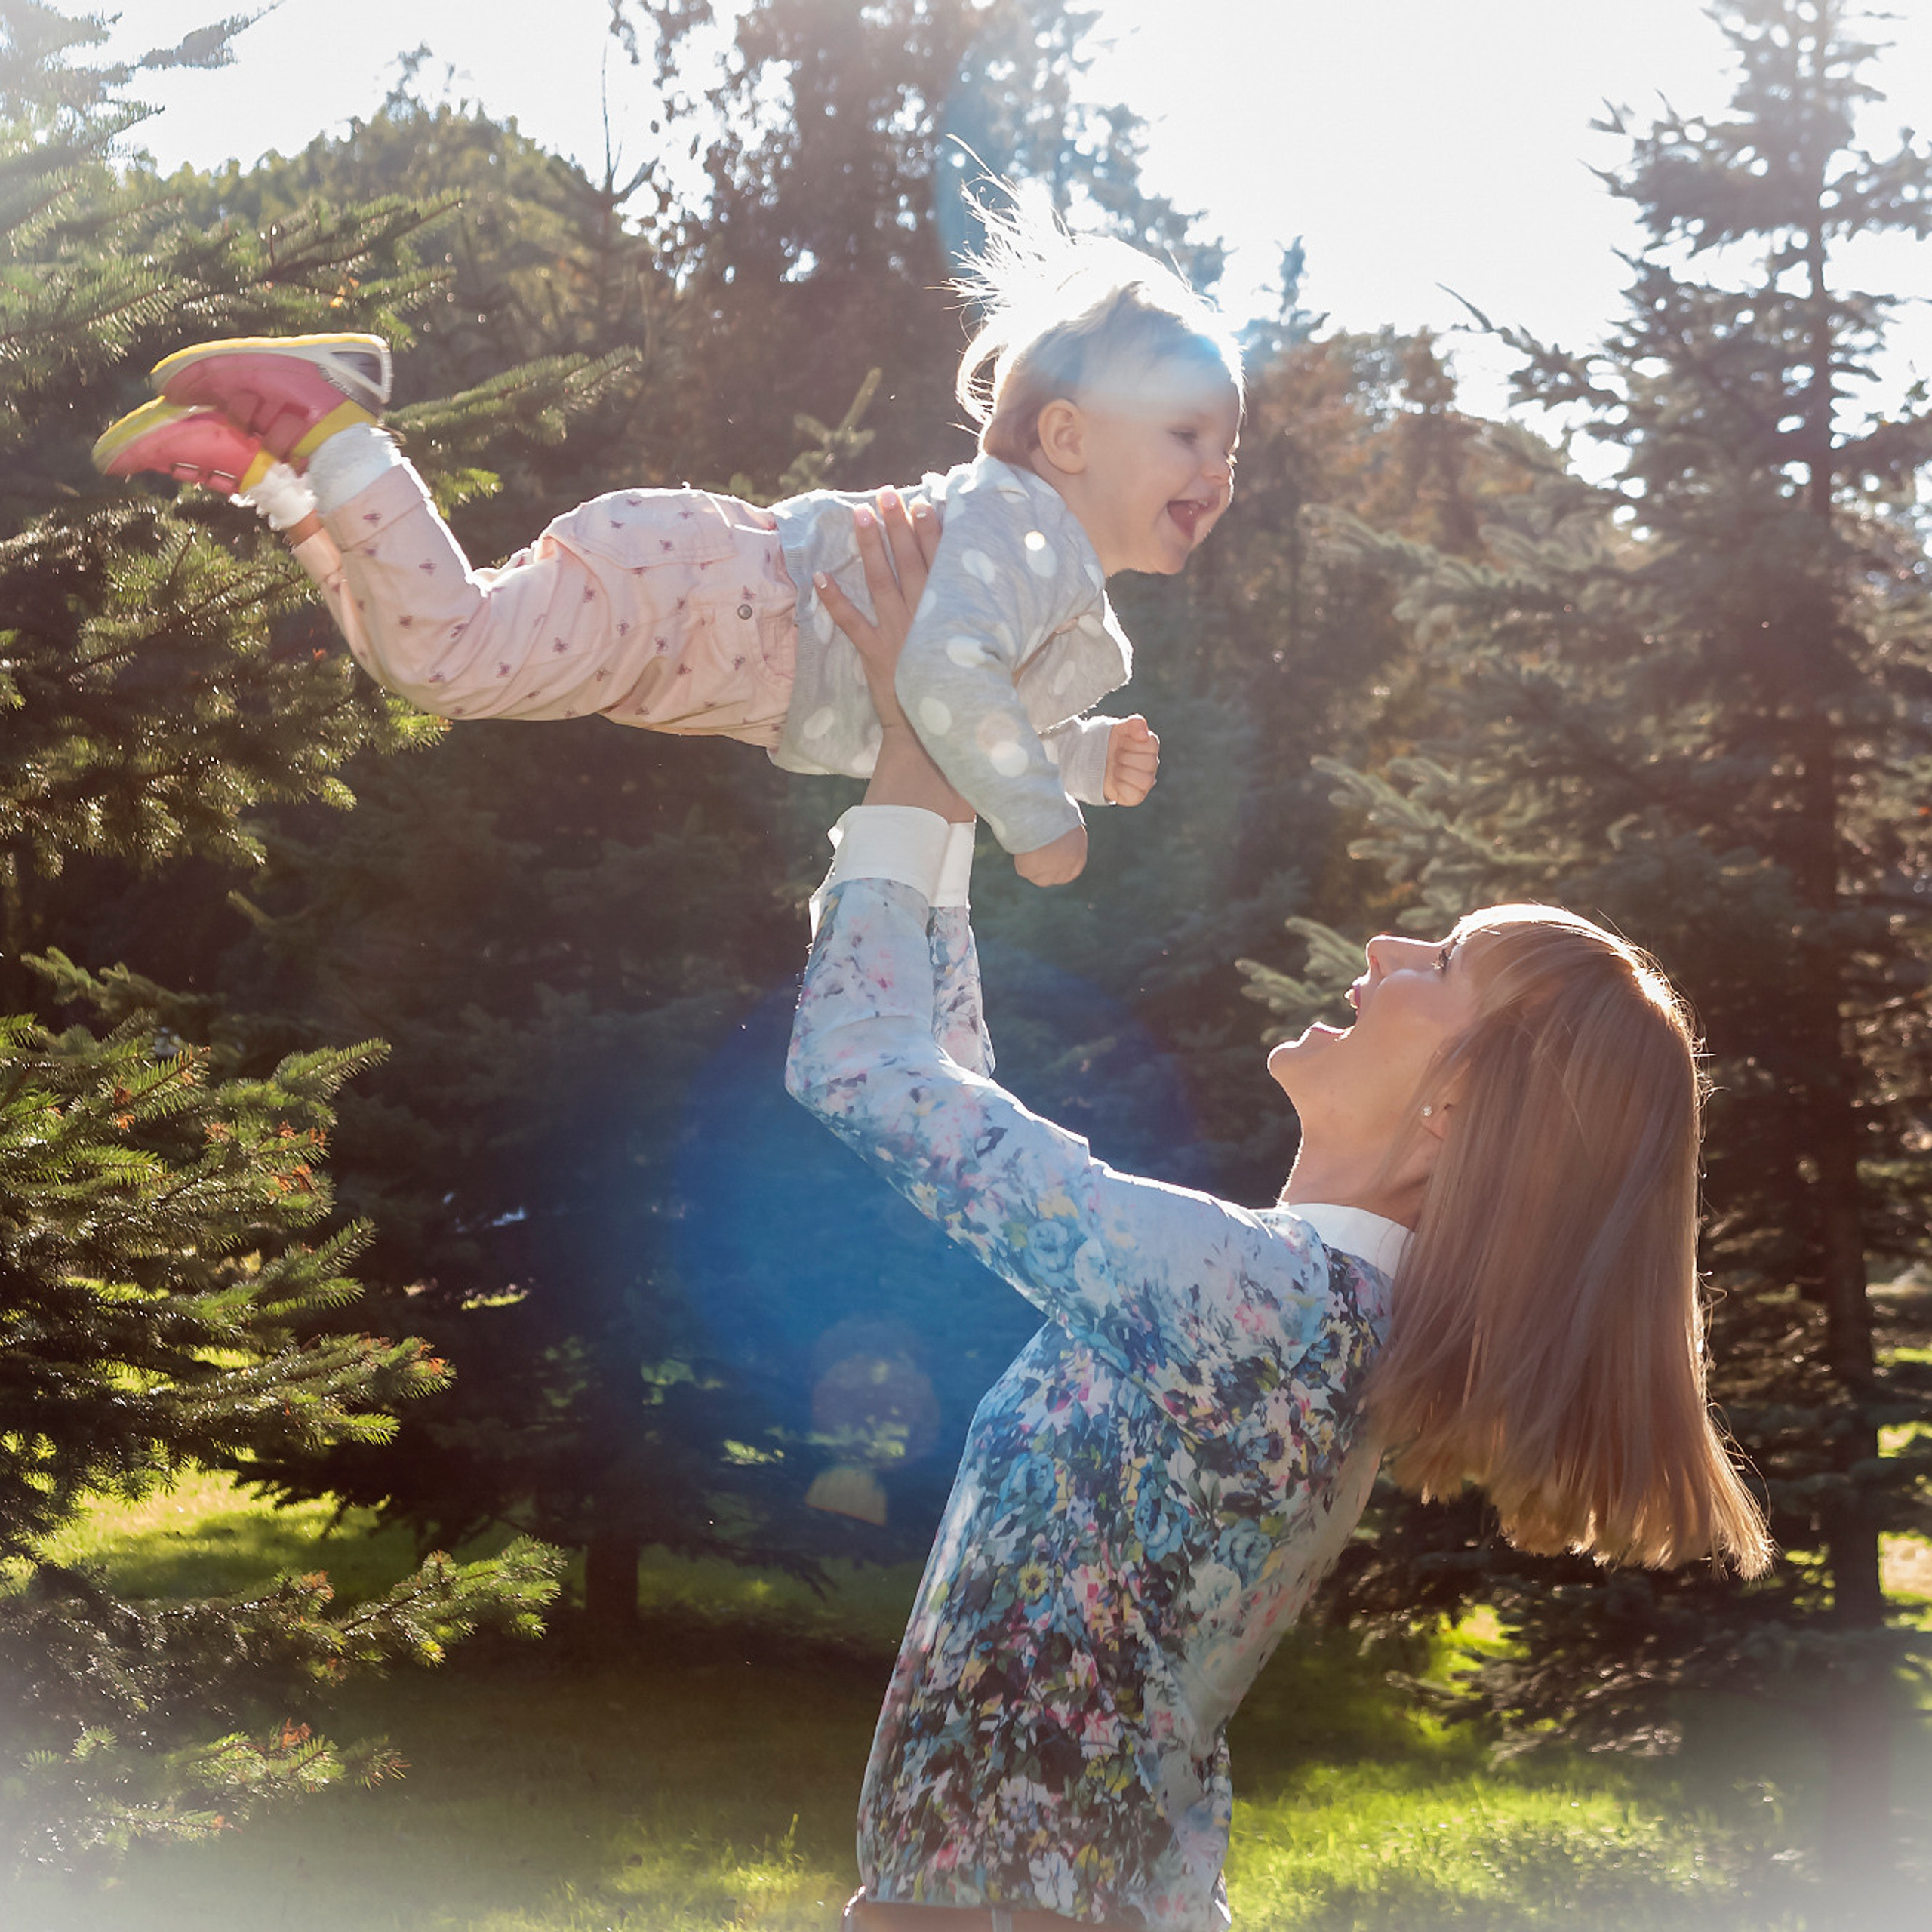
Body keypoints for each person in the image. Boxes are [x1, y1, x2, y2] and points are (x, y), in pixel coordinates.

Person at [784, 499, 1772, 1932]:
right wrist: (936, 770)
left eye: (1437, 958)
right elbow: (954, 1103)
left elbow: (867, 1072)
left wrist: (907, 757)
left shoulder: (1259, 1311)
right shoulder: (1304, 1313)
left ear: (1461, 1110)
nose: (1380, 946)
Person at [90, 210, 1242, 888]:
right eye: (1188, 434)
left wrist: (1082, 756)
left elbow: (971, 692)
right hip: (703, 602)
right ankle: (334, 421)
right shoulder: (1025, 532)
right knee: (445, 657)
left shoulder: (1039, 562)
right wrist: (1048, 823)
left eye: (1228, 447)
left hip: (692, 597)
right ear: (1069, 436)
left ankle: (282, 476)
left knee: (427, 659)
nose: (1216, 471)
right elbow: (942, 680)